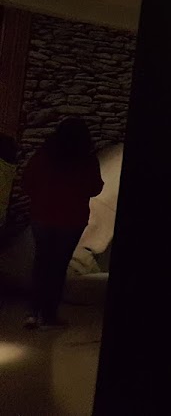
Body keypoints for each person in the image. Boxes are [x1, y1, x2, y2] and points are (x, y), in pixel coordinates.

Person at [21, 118, 104, 329]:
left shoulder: (45, 155)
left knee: (41, 264)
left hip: (42, 216)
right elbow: (95, 188)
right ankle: (48, 315)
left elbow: (28, 181)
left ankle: (33, 312)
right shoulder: (86, 160)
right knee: (58, 268)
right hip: (71, 220)